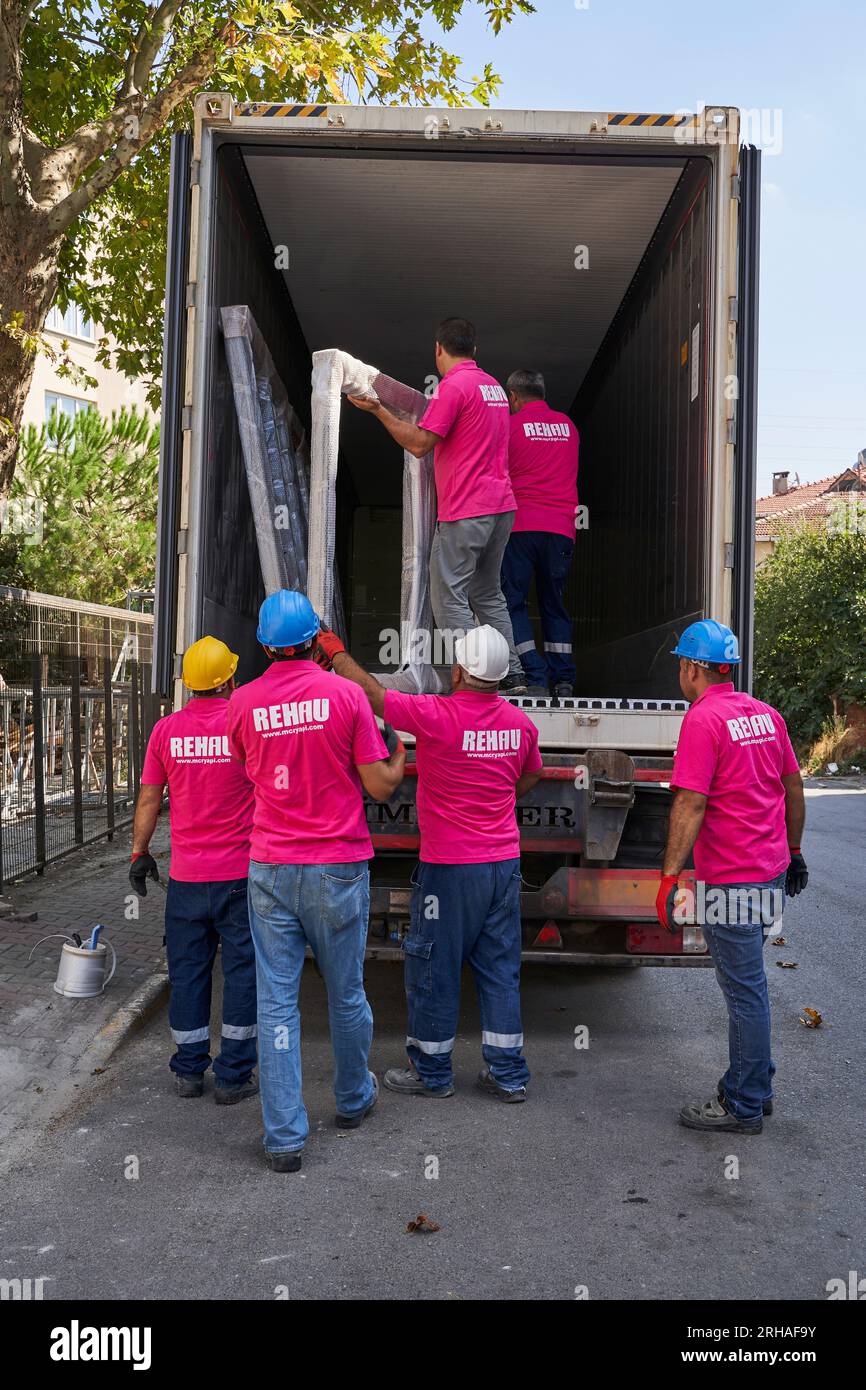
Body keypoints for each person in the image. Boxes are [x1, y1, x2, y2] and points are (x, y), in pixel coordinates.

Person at [317, 621, 543, 1101]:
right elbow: (529, 776)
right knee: (500, 967)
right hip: (503, 864)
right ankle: (508, 1075)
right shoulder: (521, 725)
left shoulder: (438, 715)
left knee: (434, 965)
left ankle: (432, 1072)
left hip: (451, 869)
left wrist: (336, 653)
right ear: (500, 677)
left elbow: (375, 697)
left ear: (459, 671)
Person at [225, 590, 405, 1172]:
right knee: (346, 991)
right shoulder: (346, 695)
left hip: (271, 867)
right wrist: (398, 753)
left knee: (277, 1002)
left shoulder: (242, 703)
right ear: (314, 643)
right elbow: (379, 787)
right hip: (337, 866)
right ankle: (353, 1100)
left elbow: (242, 773)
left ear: (264, 644)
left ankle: (284, 1139)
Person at [656, 620, 808, 1134]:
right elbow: (792, 785)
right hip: (768, 875)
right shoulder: (765, 714)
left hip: (733, 880)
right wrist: (795, 850)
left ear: (693, 669)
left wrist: (669, 876)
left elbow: (691, 802)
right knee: (751, 987)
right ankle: (754, 1086)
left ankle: (743, 1105)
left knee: (745, 994)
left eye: (682, 664)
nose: (680, 672)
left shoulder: (703, 720)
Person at [347, 317, 527, 693]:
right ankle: (511, 671)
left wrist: (379, 409)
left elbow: (419, 444)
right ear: (474, 350)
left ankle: (480, 676)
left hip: (467, 510)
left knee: (448, 599)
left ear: (438, 349)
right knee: (487, 593)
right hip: (501, 508)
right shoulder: (492, 386)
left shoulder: (454, 387)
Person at [130, 636, 258, 1105]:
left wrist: (139, 852)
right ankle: (233, 1076)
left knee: (188, 973)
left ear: (189, 685)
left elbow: (149, 798)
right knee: (243, 972)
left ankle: (188, 1072)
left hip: (186, 880)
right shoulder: (245, 725)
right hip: (240, 877)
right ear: (229, 680)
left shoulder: (166, 731)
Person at [500, 369, 580, 698]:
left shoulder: (510, 426)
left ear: (514, 398)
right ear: (542, 393)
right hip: (561, 529)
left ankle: (533, 674)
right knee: (554, 603)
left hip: (520, 526)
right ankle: (563, 678)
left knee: (512, 601)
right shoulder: (569, 427)